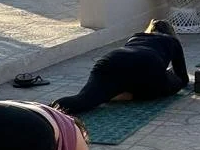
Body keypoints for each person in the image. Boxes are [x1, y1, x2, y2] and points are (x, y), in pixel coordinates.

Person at [53, 20, 189, 117]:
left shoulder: (135, 37)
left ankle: (47, 110)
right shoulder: (172, 41)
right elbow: (183, 77)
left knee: (84, 99)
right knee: (174, 83)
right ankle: (128, 95)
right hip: (148, 64)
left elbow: (127, 66)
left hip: (111, 61)